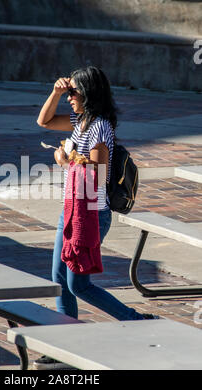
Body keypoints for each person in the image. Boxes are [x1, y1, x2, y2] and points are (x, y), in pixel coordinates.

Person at [35, 66, 157, 370]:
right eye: (69, 92)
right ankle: (65, 345)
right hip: (72, 210)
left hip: (91, 214)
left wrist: (65, 160)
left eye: (74, 92)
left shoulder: (100, 127)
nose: (70, 98)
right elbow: (44, 120)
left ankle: (134, 321)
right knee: (60, 280)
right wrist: (56, 91)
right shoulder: (80, 122)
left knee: (79, 284)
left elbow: (98, 175)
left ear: (89, 93)